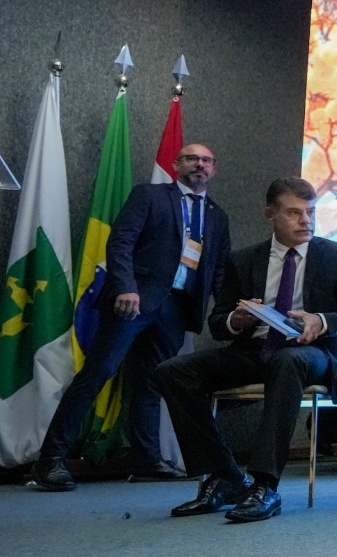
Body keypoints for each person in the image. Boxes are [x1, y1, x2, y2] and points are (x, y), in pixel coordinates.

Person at [153, 177, 337, 521]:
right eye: (294, 213)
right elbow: (217, 323)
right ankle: (226, 475)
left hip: (313, 352)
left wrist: (321, 320)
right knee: (172, 371)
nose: (306, 221)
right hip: (255, 349)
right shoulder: (243, 260)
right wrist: (237, 320)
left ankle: (265, 485)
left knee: (287, 361)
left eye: (311, 212)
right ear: (270, 214)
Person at [30, 143, 231, 491]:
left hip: (176, 308)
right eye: (191, 158)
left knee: (153, 383)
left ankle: (146, 459)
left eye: (206, 160)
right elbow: (120, 242)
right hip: (133, 301)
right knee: (98, 373)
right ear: (176, 164)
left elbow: (219, 269)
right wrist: (125, 286)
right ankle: (50, 459)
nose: (199, 164)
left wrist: (230, 308)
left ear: (214, 169)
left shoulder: (217, 215)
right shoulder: (149, 196)